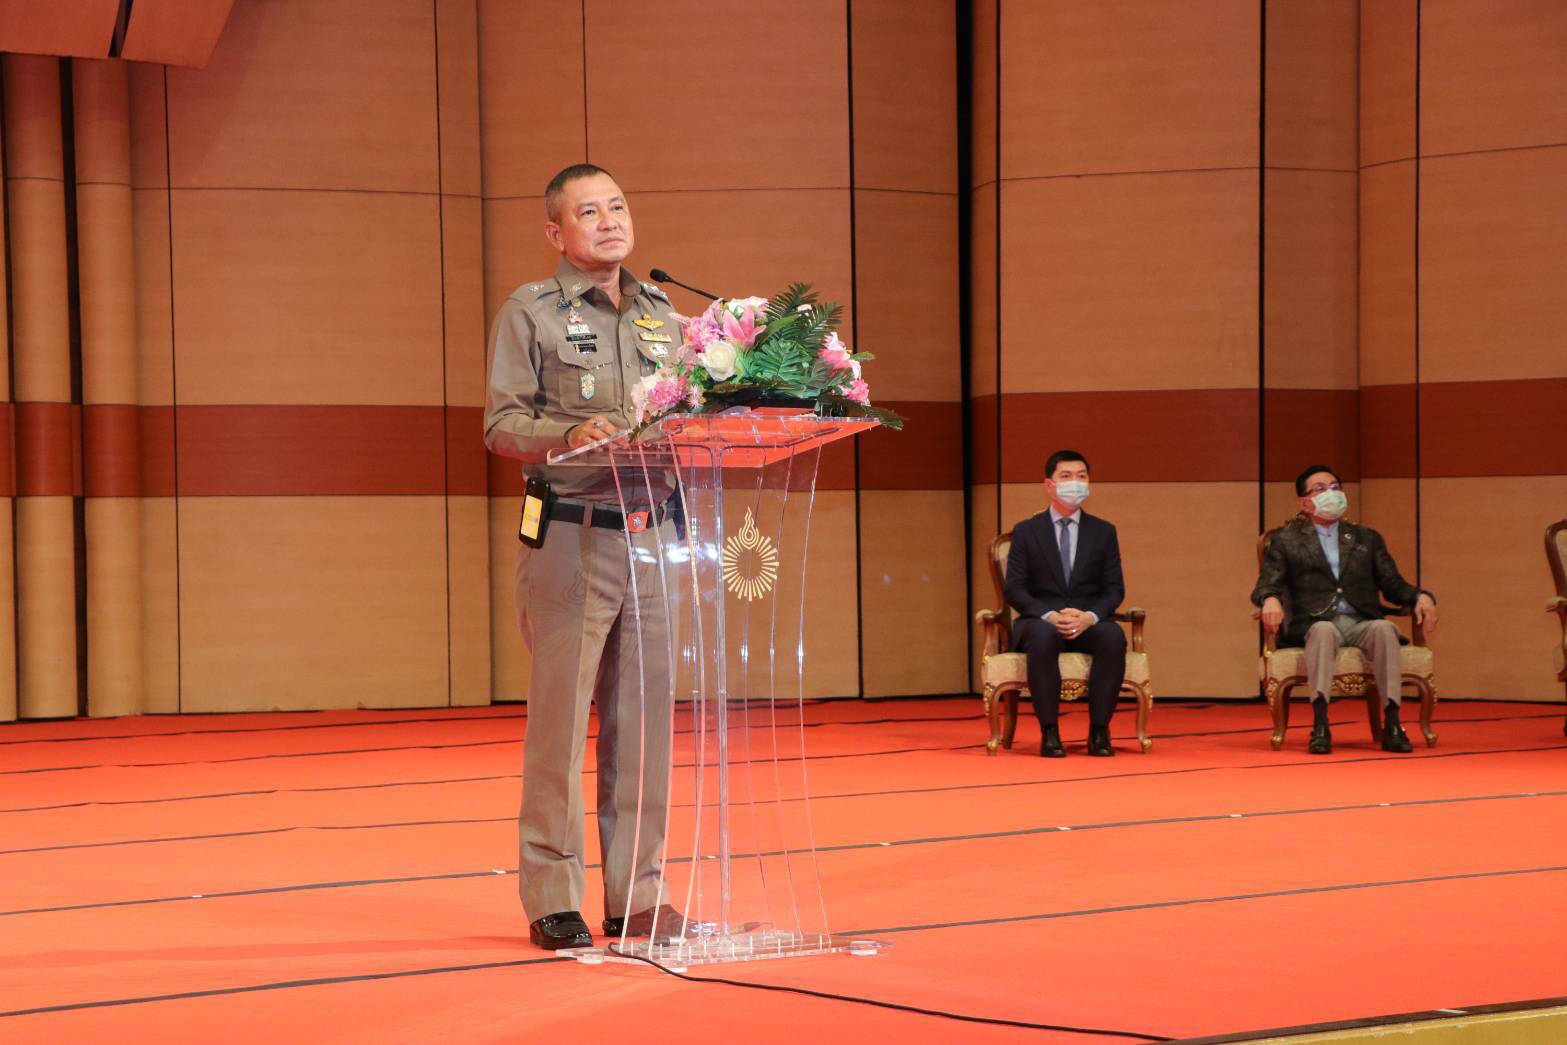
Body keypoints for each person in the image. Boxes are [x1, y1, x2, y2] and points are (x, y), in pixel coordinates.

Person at [484, 163, 684, 950]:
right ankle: (552, 896)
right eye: (589, 211)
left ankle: (638, 895)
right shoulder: (529, 311)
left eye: (618, 207)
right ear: (555, 232)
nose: (609, 221)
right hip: (570, 533)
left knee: (643, 730)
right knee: (561, 728)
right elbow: (500, 423)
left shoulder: (664, 313)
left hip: (653, 535)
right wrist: (565, 434)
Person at [1251, 464, 1438, 755]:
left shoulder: (1367, 538)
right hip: (1314, 622)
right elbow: (1266, 584)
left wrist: (1420, 596)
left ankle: (1392, 722)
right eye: (1320, 489)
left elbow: (1393, 584)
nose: (1331, 494)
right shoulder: (1286, 541)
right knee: (1324, 631)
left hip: (1360, 620)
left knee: (1384, 629)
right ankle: (1321, 723)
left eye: (1335, 487)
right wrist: (1270, 599)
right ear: (1304, 502)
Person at [1004, 450, 1127, 757]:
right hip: (1040, 620)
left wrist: (1089, 617)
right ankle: (1049, 732)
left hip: (1084, 620)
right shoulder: (1026, 531)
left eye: (1081, 476)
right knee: (1043, 636)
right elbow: (1015, 589)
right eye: (1066, 476)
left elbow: (1114, 589)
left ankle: (1099, 731)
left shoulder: (1104, 531)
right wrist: (1048, 614)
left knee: (1113, 636)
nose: (1075, 483)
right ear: (1049, 485)